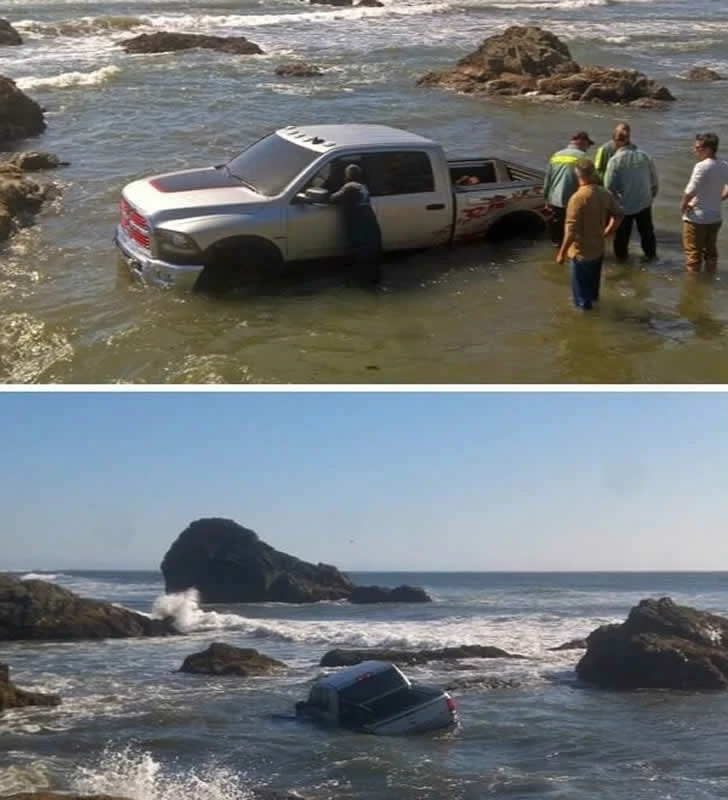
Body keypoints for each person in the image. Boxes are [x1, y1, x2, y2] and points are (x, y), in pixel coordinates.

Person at [556, 158, 624, 311]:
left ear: (577, 174)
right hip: (598, 249)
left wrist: (562, 253)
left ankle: (584, 323)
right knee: (593, 293)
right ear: (593, 173)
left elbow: (571, 230)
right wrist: (608, 231)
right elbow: (619, 214)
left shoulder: (577, 199)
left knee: (581, 299)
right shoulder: (604, 193)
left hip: (581, 252)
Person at [603, 132, 659, 263]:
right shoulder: (644, 156)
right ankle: (651, 258)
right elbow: (655, 183)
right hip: (644, 203)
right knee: (647, 233)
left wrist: (611, 208)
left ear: (614, 142)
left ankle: (622, 263)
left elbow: (608, 187)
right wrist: (650, 198)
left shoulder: (615, 161)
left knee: (622, 237)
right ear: (629, 140)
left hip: (624, 206)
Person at [680, 132, 728, 274]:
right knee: (711, 254)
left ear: (707, 149)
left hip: (697, 219)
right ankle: (709, 280)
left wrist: (683, 208)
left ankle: (693, 289)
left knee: (693, 256)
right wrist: (718, 198)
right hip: (715, 218)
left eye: (697, 147)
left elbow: (689, 192)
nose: (695, 150)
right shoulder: (724, 165)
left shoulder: (701, 166)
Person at [329, 163, 383, 286]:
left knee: (361, 253)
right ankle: (373, 279)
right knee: (372, 255)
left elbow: (333, 199)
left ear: (348, 175)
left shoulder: (350, 187)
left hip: (359, 224)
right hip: (370, 223)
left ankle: (364, 282)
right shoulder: (363, 187)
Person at [543, 132, 595, 246]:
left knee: (557, 228)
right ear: (583, 142)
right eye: (588, 145)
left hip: (555, 199)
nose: (588, 148)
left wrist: (546, 198)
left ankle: (557, 249)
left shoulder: (556, 155)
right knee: (575, 228)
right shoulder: (584, 158)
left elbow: (548, 178)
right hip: (574, 199)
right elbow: (592, 180)